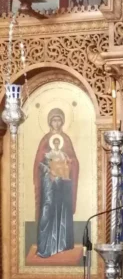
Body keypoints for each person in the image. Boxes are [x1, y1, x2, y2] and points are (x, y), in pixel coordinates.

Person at [33, 108, 79, 258]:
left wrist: (68, 163)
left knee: (62, 209)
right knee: (47, 209)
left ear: (63, 121)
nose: (57, 123)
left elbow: (74, 161)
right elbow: (38, 163)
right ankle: (45, 247)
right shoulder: (45, 140)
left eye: (59, 120)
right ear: (49, 122)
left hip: (63, 183)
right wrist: (49, 169)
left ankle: (62, 244)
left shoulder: (66, 140)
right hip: (49, 182)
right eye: (54, 120)